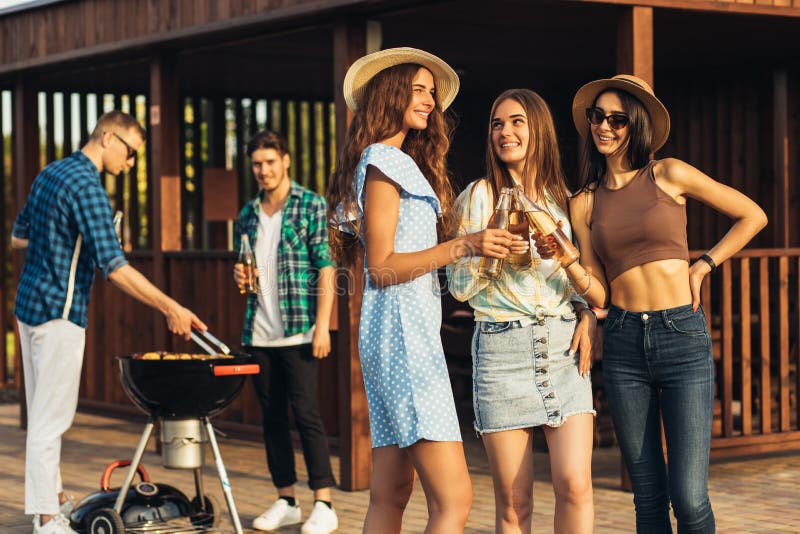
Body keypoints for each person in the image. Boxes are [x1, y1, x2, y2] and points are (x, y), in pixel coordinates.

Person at [539, 75, 767, 533]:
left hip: (682, 335)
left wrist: (703, 265)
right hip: (624, 342)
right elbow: (600, 292)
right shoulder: (583, 203)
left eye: (617, 119)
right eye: (597, 117)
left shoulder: (669, 173)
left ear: (635, 125)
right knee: (647, 494)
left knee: (688, 495)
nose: (604, 126)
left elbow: (753, 215)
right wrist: (567, 261)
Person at [326, 47, 520, 534]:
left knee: (391, 495)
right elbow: (382, 267)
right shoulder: (384, 161)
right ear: (389, 94)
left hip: (393, 337)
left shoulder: (388, 161)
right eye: (418, 89)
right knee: (455, 501)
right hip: (405, 342)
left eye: (432, 93)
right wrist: (465, 245)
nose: (430, 101)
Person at [11, 111, 206, 534]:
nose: (132, 163)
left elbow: (18, 234)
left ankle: (53, 500)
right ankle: (46, 521)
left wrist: (63, 238)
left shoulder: (50, 172)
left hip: (28, 309)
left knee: (44, 415)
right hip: (60, 314)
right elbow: (114, 267)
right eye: (131, 152)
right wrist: (171, 306)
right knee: (51, 420)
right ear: (107, 137)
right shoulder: (88, 186)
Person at [448, 88, 596, 533]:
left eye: (516, 122)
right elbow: (458, 288)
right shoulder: (477, 197)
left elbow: (585, 274)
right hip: (501, 350)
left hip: (562, 346)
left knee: (575, 485)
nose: (505, 132)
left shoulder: (564, 200)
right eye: (497, 123)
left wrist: (588, 314)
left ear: (539, 131)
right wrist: (488, 251)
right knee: (515, 506)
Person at [232, 130, 338, 534]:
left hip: (300, 331)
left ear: (286, 160)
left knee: (307, 415)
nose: (263, 170)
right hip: (259, 333)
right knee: (272, 418)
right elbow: (245, 276)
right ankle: (286, 499)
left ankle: (324, 504)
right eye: (257, 164)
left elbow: (326, 267)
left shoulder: (311, 205)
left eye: (270, 162)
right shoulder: (246, 214)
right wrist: (240, 275)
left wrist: (323, 327)